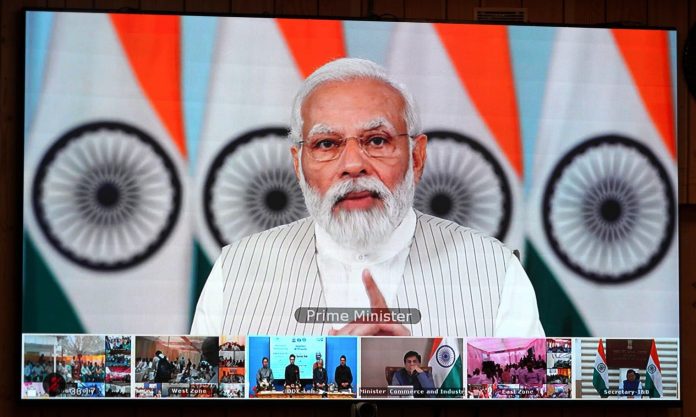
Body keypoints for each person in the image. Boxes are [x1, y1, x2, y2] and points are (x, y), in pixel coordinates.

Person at [191, 57, 544, 337]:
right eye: (326, 144)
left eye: (376, 140)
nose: (353, 165)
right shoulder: (235, 270)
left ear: (417, 157)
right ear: (298, 165)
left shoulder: (494, 271)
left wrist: (416, 379)